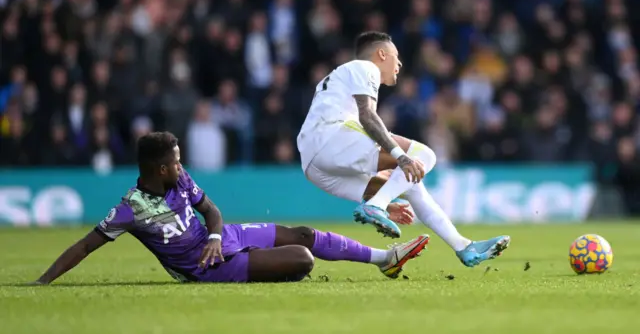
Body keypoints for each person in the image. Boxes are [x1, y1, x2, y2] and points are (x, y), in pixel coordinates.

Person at [32, 132, 430, 285]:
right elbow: (85, 246)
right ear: (158, 169)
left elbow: (212, 212)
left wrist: (218, 235)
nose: (181, 166)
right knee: (303, 259)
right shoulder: (130, 210)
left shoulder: (181, 180)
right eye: (174, 162)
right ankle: (264, 267)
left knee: (304, 233)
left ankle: (385, 259)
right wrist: (43, 282)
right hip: (204, 266)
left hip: (220, 239)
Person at [296, 31, 510, 267]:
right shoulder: (364, 67)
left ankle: (463, 246)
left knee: (412, 184)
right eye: (395, 57)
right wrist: (400, 157)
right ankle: (376, 206)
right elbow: (367, 116)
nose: (399, 64)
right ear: (381, 54)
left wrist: (388, 202)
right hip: (332, 139)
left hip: (313, 166)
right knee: (423, 156)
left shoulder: (336, 79)